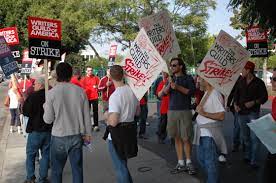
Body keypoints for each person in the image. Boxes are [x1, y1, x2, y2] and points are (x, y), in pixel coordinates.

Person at [43, 62, 92, 183]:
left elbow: (47, 119)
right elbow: (87, 115)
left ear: (57, 75)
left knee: (56, 172)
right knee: (77, 170)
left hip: (59, 136)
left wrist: (45, 107)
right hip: (76, 135)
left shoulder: (51, 93)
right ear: (71, 75)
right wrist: (88, 134)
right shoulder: (81, 92)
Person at [104, 65, 139, 183]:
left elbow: (113, 122)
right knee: (123, 165)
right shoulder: (132, 91)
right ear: (123, 75)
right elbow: (137, 112)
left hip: (117, 135)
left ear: (110, 76)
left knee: (120, 167)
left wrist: (106, 116)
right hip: (129, 131)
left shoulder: (115, 96)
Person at [163, 58, 196, 175]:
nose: (172, 67)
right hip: (172, 111)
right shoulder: (170, 79)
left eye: (174, 65)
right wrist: (169, 84)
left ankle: (189, 162)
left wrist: (177, 87)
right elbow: (162, 94)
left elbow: (191, 92)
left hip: (185, 111)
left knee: (186, 137)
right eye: (171, 66)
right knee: (176, 137)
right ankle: (180, 162)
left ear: (181, 66)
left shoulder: (188, 78)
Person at [234, 61, 268, 169]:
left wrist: (254, 102)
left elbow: (264, 97)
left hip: (253, 113)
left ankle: (253, 160)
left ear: (248, 70)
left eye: (243, 69)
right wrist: (235, 104)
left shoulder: (259, 82)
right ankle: (247, 156)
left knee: (254, 138)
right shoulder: (240, 81)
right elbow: (236, 95)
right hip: (241, 113)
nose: (241, 71)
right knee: (245, 137)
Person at [194, 78, 226, 183]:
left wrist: (204, 113)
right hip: (202, 132)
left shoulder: (215, 93)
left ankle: (213, 180)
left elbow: (221, 116)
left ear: (207, 80)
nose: (198, 81)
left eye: (200, 79)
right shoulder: (208, 92)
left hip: (209, 134)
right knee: (202, 159)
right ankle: (214, 178)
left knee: (210, 162)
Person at [23, 76, 52, 183]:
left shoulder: (33, 96)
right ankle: (42, 178)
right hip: (48, 130)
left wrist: (24, 103)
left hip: (35, 131)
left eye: (35, 84)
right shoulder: (49, 96)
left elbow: (26, 112)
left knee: (31, 155)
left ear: (40, 85)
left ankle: (30, 177)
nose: (34, 86)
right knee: (45, 155)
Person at [263, 68, 276, 183]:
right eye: (272, 78)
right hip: (273, 145)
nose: (271, 81)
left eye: (275, 79)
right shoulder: (275, 100)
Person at [81, 67, 100, 131]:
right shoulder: (83, 79)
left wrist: (97, 86)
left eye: (91, 70)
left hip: (94, 97)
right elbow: (81, 88)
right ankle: (88, 125)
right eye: (88, 71)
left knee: (95, 112)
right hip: (87, 97)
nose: (90, 72)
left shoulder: (96, 78)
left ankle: (96, 125)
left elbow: (99, 85)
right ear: (86, 71)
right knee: (87, 112)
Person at [227, 76, 242, 152]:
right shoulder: (236, 79)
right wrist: (228, 105)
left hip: (247, 108)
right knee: (237, 126)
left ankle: (241, 145)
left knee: (240, 126)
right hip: (237, 107)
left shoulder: (238, 78)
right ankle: (236, 144)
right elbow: (232, 93)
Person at [156, 71, 170, 144]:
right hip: (164, 107)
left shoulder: (173, 82)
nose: (163, 74)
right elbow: (159, 94)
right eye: (163, 73)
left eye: (165, 73)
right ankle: (161, 137)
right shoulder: (161, 83)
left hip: (172, 107)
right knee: (163, 123)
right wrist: (164, 87)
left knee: (172, 124)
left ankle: (173, 139)